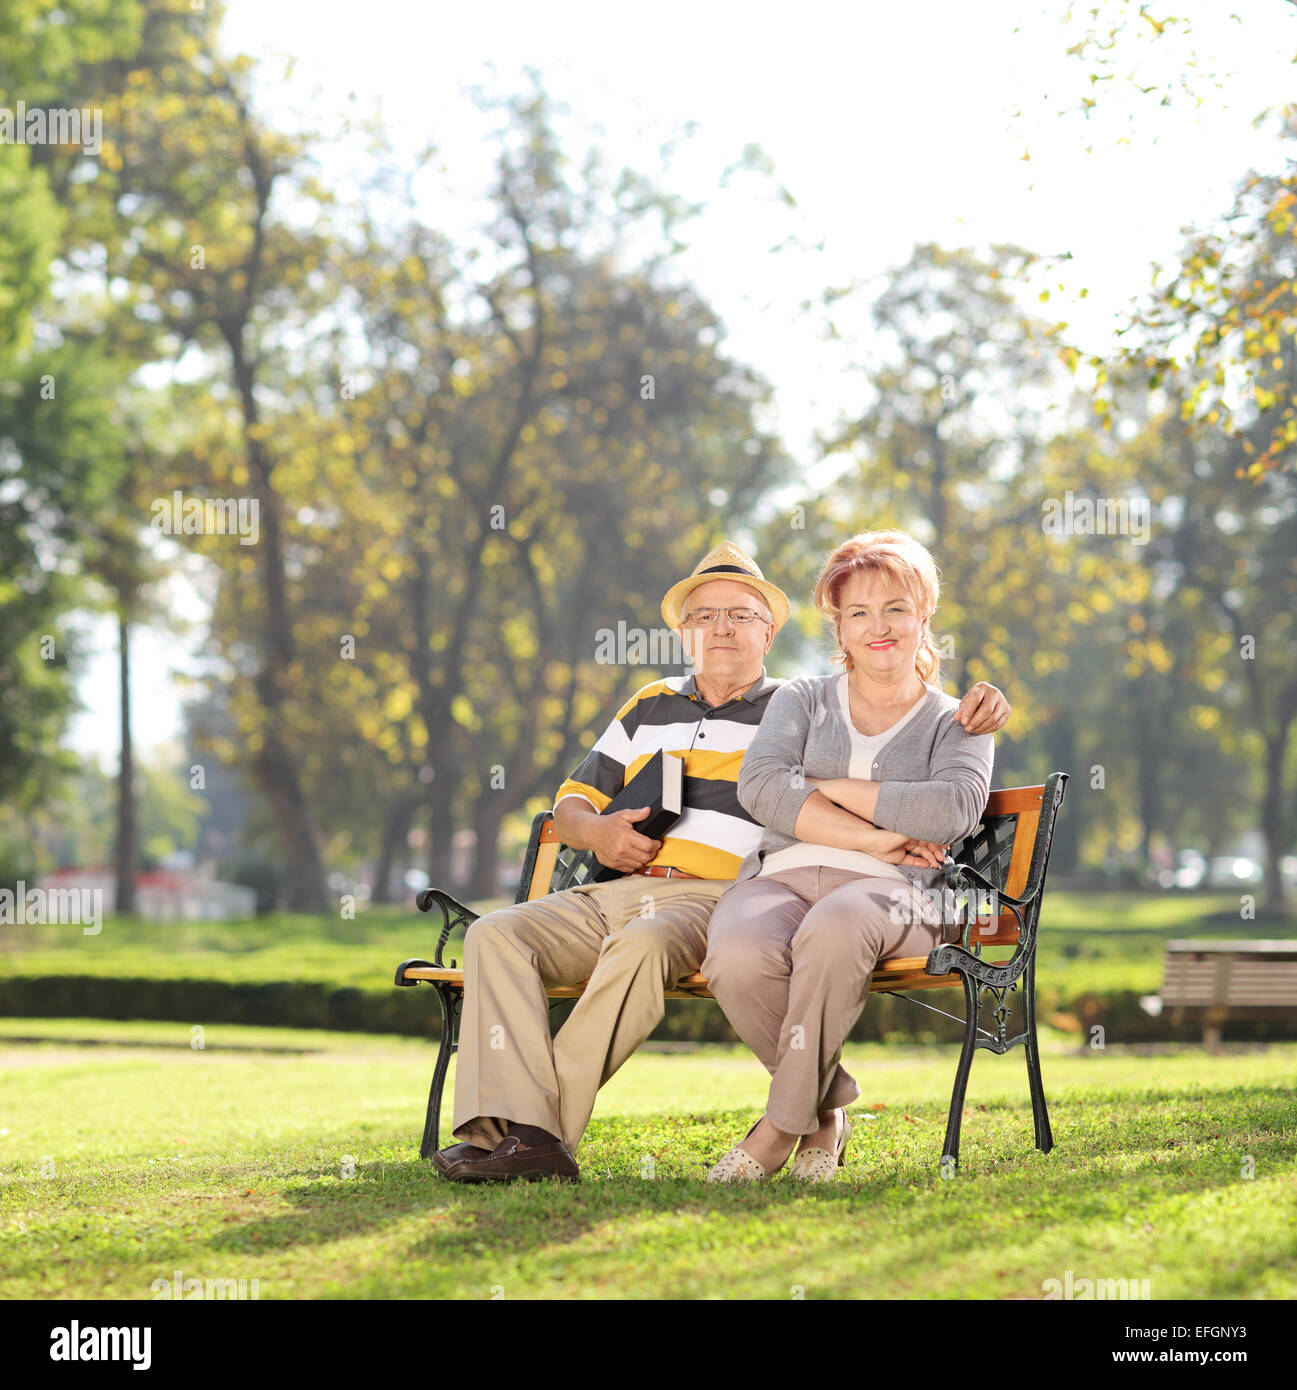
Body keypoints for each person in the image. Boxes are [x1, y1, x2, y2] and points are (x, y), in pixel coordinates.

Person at [436, 540, 1008, 1183]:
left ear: (769, 632)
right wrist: (598, 834)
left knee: (646, 943)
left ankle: (541, 1136)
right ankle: (496, 1133)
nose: (722, 628)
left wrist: (980, 700)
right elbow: (569, 806)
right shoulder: (649, 703)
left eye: (740, 614)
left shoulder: (794, 704)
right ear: (683, 634)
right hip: (615, 889)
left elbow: (905, 758)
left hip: (711, 896)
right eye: (705, 616)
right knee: (493, 935)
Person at [701, 529, 995, 1183]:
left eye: (894, 607)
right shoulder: (800, 699)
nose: (877, 626)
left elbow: (951, 809)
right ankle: (826, 1112)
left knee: (835, 925)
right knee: (735, 951)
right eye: (857, 612)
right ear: (839, 625)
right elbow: (760, 787)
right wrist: (876, 834)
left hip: (899, 891)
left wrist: (826, 788)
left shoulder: (959, 721)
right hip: (782, 876)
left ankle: (779, 1129)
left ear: (923, 615)